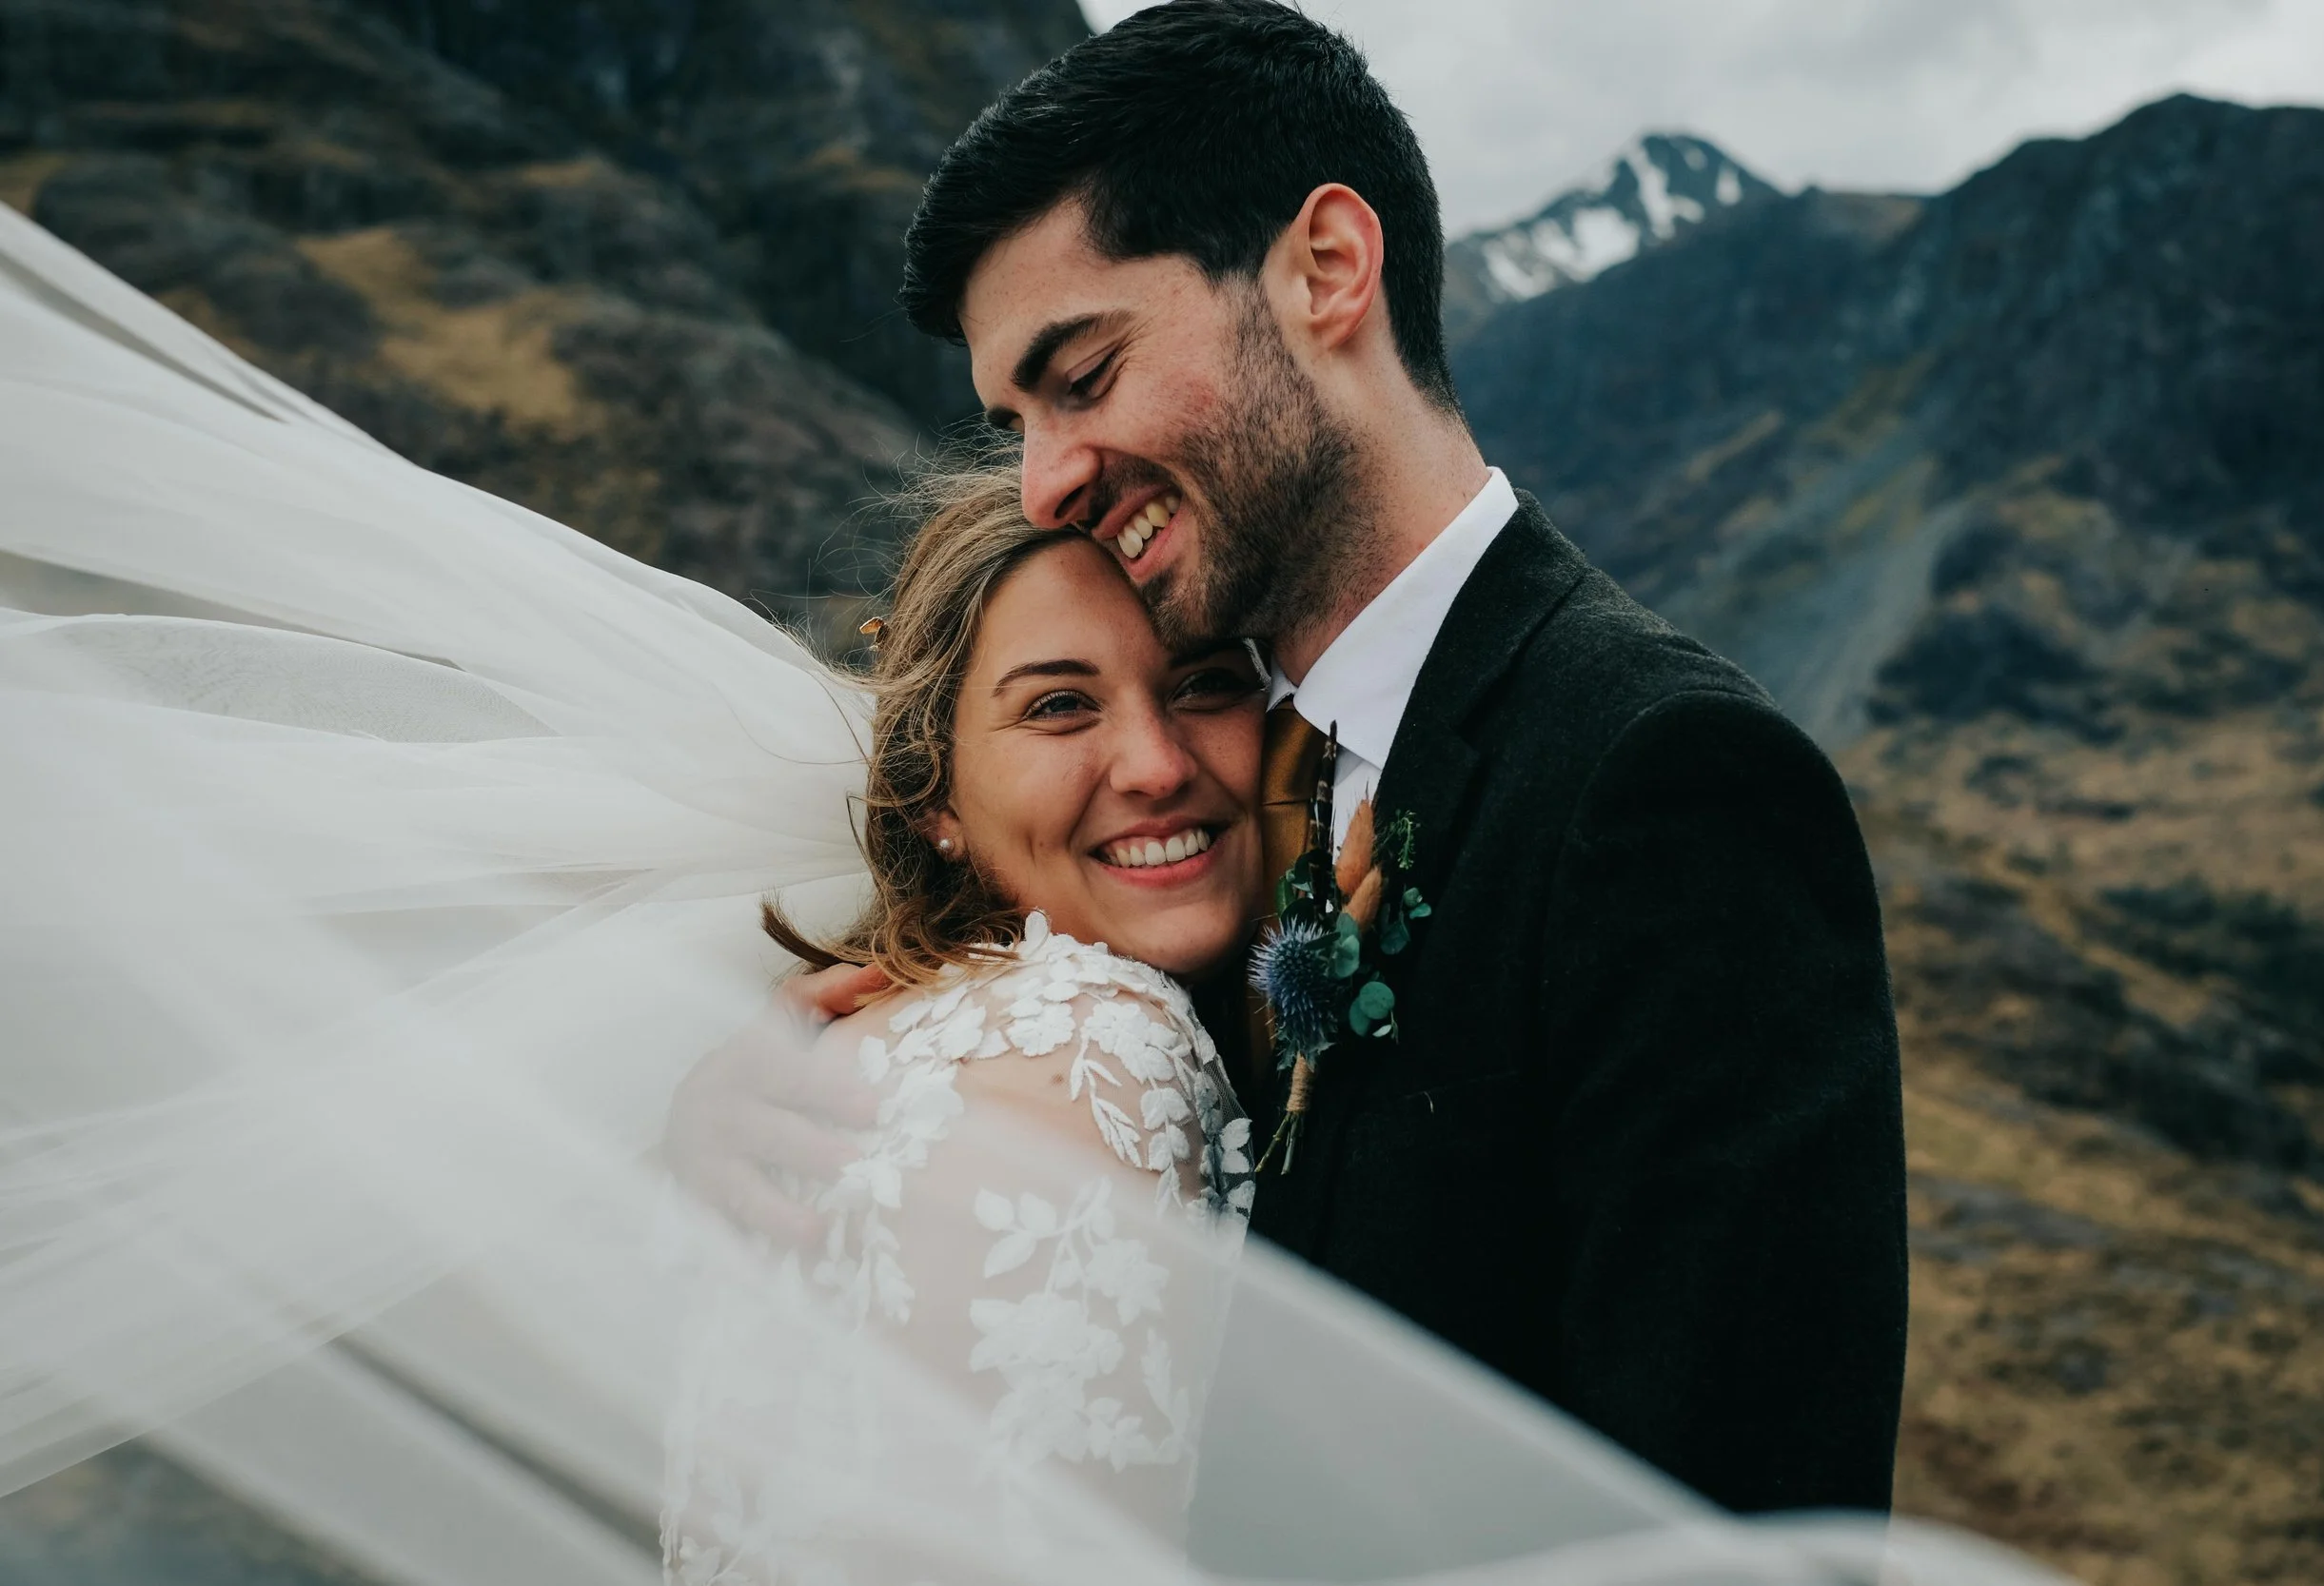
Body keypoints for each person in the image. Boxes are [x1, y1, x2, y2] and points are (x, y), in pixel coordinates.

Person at [686, 0, 1910, 1517]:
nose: (1049, 478)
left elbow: (1741, 1514)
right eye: (1016, 418)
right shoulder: (1227, 782)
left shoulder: (1661, 781)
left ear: (1329, 267)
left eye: (1083, 374)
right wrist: (796, 1095)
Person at [660, 465, 1269, 1581]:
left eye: (1204, 682)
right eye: (1057, 705)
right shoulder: (1091, 1045)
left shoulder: (898, 1041)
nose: (1156, 764)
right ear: (936, 795)